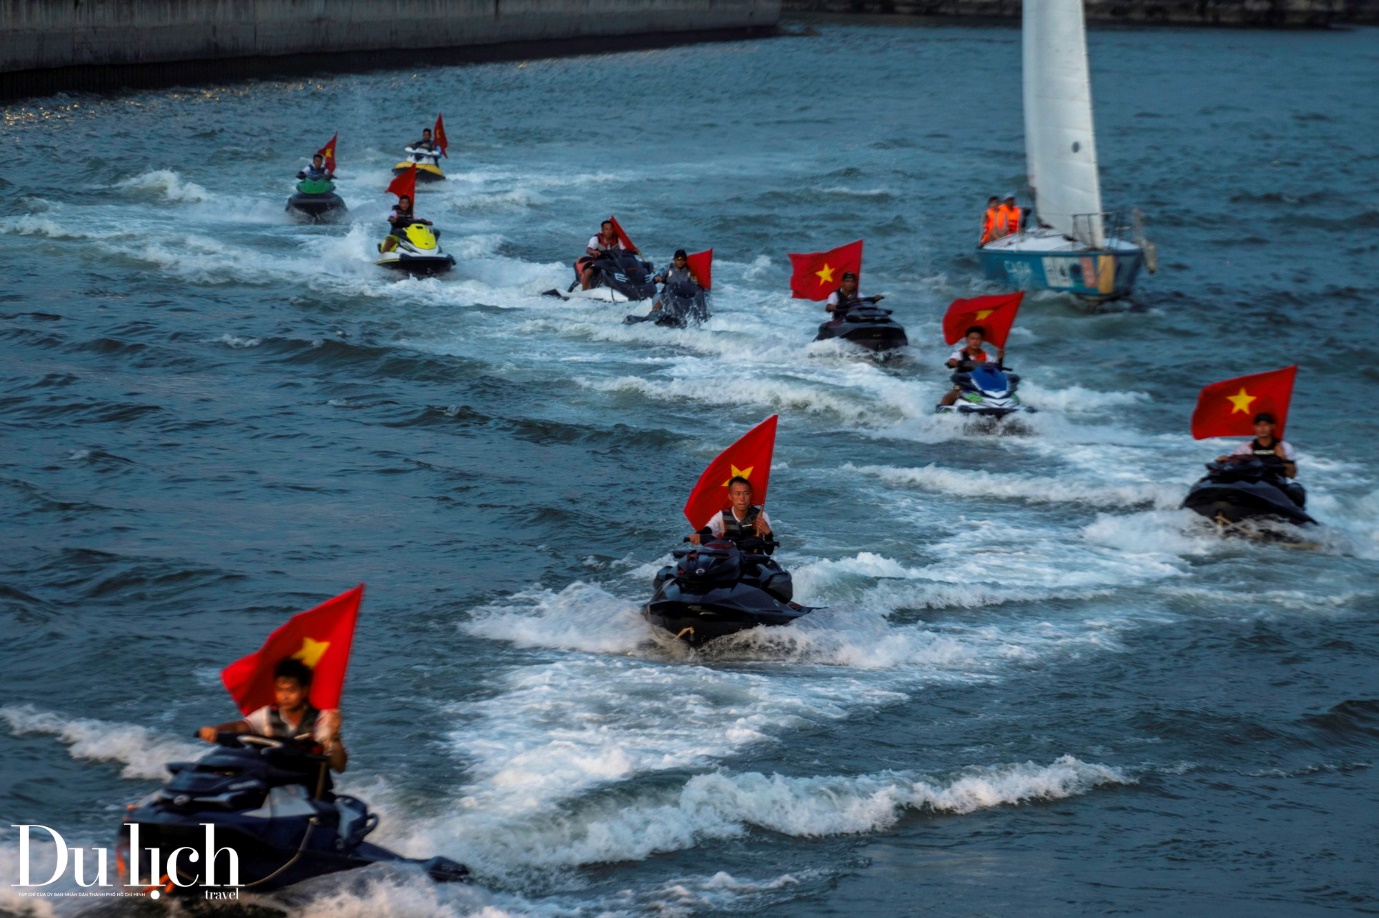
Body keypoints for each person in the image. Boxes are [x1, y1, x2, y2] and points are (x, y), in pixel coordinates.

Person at [198, 657, 348, 773]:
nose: (285, 696)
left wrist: (334, 735)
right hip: (273, 785)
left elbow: (339, 766)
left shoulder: (322, 720)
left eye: (291, 691)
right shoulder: (267, 714)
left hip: (308, 789)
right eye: (280, 690)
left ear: (304, 691)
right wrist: (216, 730)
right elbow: (239, 727)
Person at [688, 476, 773, 550]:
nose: (742, 498)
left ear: (750, 495)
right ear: (730, 496)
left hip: (753, 561)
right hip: (730, 559)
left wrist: (768, 533)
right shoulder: (722, 516)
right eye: (737, 494)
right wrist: (697, 535)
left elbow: (769, 551)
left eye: (746, 493)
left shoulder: (761, 516)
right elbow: (708, 529)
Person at [1219, 412, 1298, 480]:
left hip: (1275, 482)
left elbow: (1292, 475)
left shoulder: (1284, 446)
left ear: (1272, 426)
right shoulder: (1246, 447)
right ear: (1254, 428)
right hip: (1252, 482)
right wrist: (1224, 460)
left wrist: (1282, 458)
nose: (1262, 428)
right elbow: (1234, 464)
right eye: (1258, 425)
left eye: (1266, 425)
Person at [939, 325, 1005, 407]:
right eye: (972, 338)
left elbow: (996, 372)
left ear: (982, 341)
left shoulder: (987, 357)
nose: (975, 341)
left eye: (978, 339)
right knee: (948, 397)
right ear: (967, 340)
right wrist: (956, 363)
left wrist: (1000, 359)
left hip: (982, 389)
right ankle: (941, 411)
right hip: (962, 388)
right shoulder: (959, 354)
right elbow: (951, 362)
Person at [576, 220, 631, 290]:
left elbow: (625, 250)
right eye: (606, 229)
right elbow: (588, 250)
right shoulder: (596, 239)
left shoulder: (618, 239)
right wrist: (593, 252)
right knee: (588, 272)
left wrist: (632, 251)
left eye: (610, 229)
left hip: (615, 262)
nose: (608, 231)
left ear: (613, 229)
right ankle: (584, 291)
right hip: (600, 262)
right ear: (602, 230)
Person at [648, 249, 701, 315]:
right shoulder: (668, 268)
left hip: (683, 296)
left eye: (683, 259)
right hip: (667, 294)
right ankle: (652, 317)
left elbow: (695, 285)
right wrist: (657, 278)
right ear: (674, 259)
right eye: (678, 259)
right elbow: (658, 276)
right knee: (659, 303)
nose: (681, 261)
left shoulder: (689, 271)